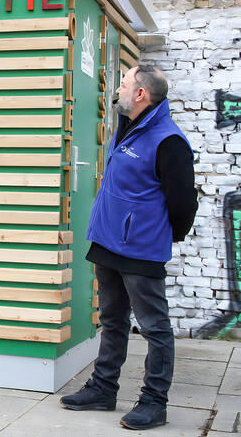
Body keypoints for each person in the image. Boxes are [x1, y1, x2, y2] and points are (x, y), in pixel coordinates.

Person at [60, 65, 198, 430]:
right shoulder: (129, 127)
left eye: (123, 84)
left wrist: (164, 236)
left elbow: (184, 203)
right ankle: (103, 389)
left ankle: (154, 402)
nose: (117, 89)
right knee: (112, 319)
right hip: (108, 242)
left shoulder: (168, 141)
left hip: (140, 250)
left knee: (154, 327)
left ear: (141, 94)